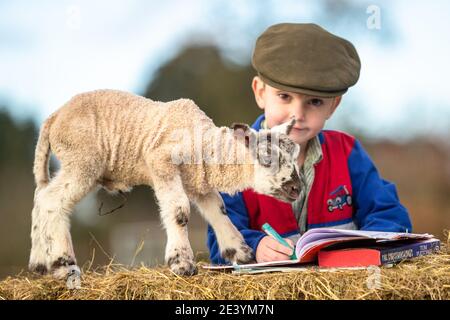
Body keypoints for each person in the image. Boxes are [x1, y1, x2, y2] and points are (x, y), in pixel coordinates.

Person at [207, 23, 412, 264]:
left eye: (314, 102)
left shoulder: (347, 153)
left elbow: (389, 213)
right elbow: (219, 238)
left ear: (333, 106)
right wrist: (256, 245)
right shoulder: (233, 159)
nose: (297, 114)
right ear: (260, 92)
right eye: (284, 97)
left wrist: (365, 245)